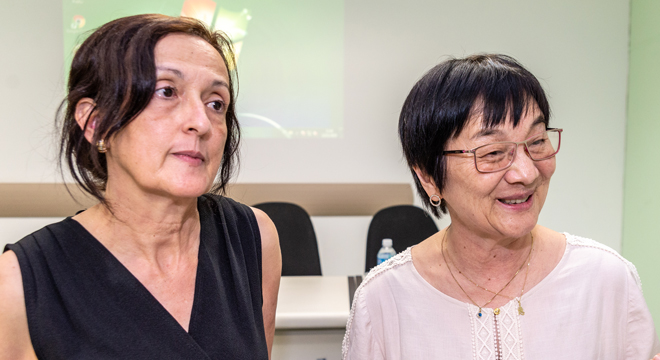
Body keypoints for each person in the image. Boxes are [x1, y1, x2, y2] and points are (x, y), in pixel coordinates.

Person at [0, 14, 281, 359]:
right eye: (166, 92)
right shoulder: (21, 282)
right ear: (95, 122)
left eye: (215, 103)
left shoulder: (254, 238)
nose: (200, 122)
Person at [343, 54, 660, 359]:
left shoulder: (605, 281)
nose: (527, 173)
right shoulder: (383, 301)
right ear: (428, 177)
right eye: (493, 151)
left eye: (536, 141)